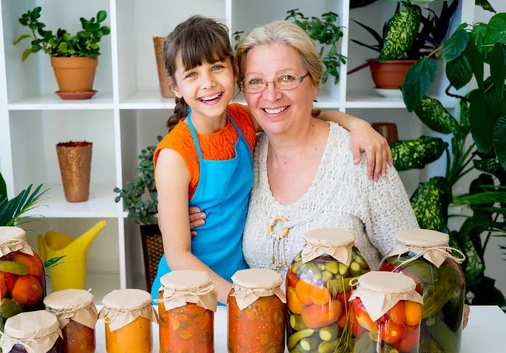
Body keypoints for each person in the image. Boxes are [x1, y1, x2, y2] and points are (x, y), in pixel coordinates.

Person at [151, 16, 391, 304]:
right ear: (174, 87)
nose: (208, 83)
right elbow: (178, 256)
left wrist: (355, 124)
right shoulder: (174, 156)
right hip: (191, 295)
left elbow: (299, 113)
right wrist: (247, 298)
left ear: (234, 69)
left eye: (216, 67)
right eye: (192, 74)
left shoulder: (242, 120)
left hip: (237, 282)